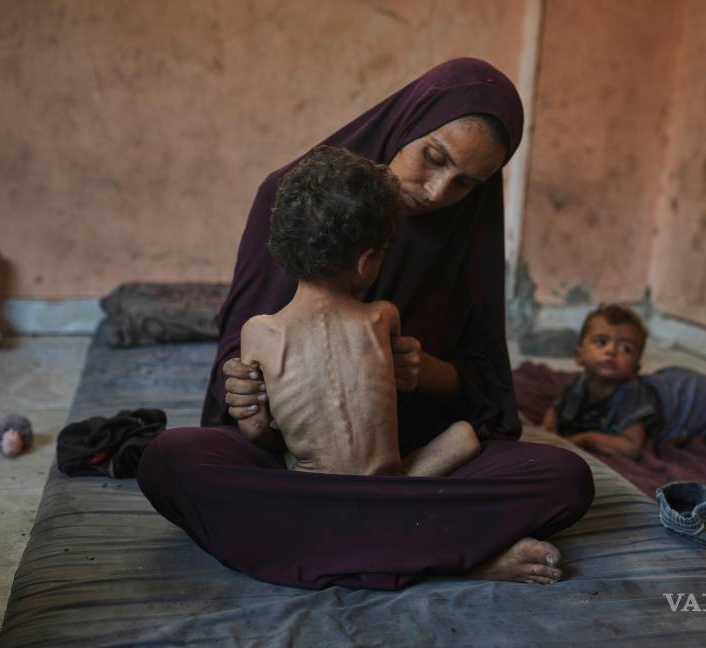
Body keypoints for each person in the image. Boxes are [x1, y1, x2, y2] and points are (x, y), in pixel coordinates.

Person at [137, 58, 594, 591]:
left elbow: (486, 393)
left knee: (565, 478)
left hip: (407, 453)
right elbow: (234, 370)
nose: (437, 191)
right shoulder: (291, 199)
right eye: (434, 157)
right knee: (170, 460)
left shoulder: (466, 235)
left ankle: (337, 543)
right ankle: (451, 555)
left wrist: (425, 372)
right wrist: (243, 388)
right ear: (409, 122)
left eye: (466, 183)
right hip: (304, 462)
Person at [240, 144, 479, 477]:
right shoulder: (382, 317)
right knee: (466, 435)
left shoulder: (258, 331)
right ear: (367, 261)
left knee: (182, 453)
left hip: (311, 495)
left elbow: (254, 430)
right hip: (388, 488)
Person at [542, 304, 706, 459]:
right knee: (700, 384)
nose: (612, 351)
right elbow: (557, 407)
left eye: (625, 347)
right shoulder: (577, 386)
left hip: (694, 401)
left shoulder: (629, 397)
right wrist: (546, 427)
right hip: (673, 383)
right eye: (601, 342)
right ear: (578, 356)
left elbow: (631, 447)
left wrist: (585, 438)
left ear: (636, 367)